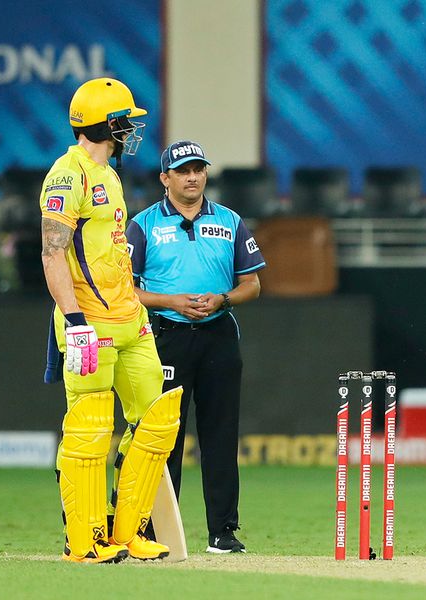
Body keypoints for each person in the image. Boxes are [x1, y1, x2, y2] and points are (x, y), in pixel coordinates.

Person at [40, 78, 182, 563]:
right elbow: (52, 254)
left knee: (157, 423)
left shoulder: (110, 175)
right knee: (90, 429)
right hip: (90, 323)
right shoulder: (67, 175)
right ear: (105, 125)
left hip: (130, 318)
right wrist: (74, 320)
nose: (131, 130)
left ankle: (128, 532)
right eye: (126, 122)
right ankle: (83, 540)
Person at [125, 141, 265, 553]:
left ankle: (223, 531)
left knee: (221, 436)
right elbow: (125, 291)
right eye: (183, 170)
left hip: (219, 334)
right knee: (163, 439)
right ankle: (150, 531)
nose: (193, 177)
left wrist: (223, 299)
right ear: (164, 178)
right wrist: (172, 301)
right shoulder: (144, 224)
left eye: (199, 169)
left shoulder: (230, 220)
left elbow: (252, 284)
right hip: (165, 336)